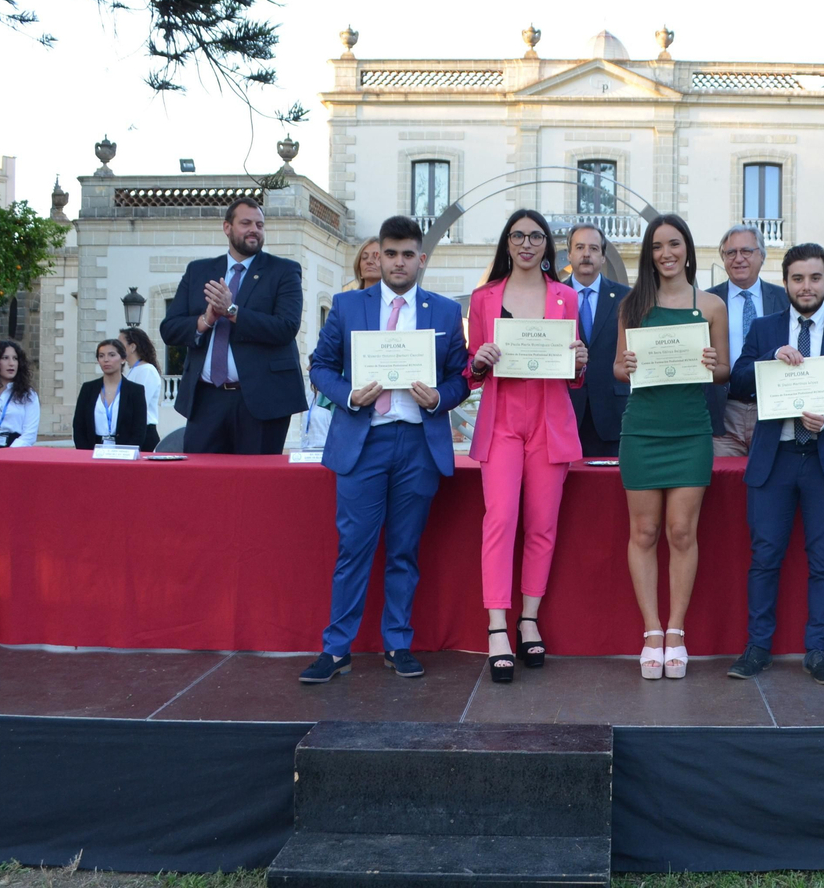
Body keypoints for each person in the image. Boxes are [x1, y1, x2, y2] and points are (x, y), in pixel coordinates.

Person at [299, 216, 471, 684]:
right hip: (364, 440)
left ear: (422, 259)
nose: (398, 262)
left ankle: (397, 643)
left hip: (418, 442)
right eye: (389, 253)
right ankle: (336, 649)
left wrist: (441, 398)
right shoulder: (349, 305)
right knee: (353, 548)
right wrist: (350, 395)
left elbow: (461, 375)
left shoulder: (443, 312)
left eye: (407, 254)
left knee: (404, 550)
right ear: (379, 256)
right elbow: (320, 366)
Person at [725, 243, 824, 686]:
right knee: (764, 557)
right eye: (797, 278)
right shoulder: (766, 328)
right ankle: (757, 648)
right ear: (786, 281)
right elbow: (736, 379)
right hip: (775, 459)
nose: (806, 286)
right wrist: (768, 360)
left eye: (814, 278)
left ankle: (818, 651)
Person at [466, 209, 588, 683]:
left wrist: (580, 360)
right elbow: (471, 373)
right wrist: (478, 361)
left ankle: (528, 617)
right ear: (507, 241)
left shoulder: (565, 297)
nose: (526, 243)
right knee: (500, 520)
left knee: (542, 524)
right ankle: (497, 624)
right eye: (517, 235)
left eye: (535, 236)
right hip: (501, 419)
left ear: (546, 245)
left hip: (550, 419)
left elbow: (573, 376)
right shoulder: (483, 298)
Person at [614, 215, 729, 679]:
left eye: (674, 244)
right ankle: (651, 631)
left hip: (689, 430)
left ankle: (677, 631)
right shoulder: (632, 304)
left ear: (688, 249)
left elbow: (722, 372)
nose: (666, 253)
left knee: (681, 531)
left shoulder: (712, 305)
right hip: (642, 429)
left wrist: (711, 361)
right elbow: (619, 372)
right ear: (648, 253)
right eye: (658, 246)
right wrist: (628, 362)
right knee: (643, 533)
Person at [159, 197, 306, 454]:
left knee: (256, 485)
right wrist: (206, 320)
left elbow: (286, 327)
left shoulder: (283, 271)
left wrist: (232, 311)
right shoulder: (199, 271)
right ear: (227, 227)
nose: (254, 230)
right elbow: (169, 329)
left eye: (260, 225)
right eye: (246, 223)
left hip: (261, 402)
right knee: (201, 482)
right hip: (206, 399)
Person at [706, 225, 789, 456]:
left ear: (762, 255)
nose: (738, 259)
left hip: (774, 412)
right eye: (730, 253)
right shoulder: (705, 301)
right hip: (723, 415)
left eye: (746, 251)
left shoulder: (786, 300)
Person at [564, 223, 631, 458]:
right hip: (565, 411)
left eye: (593, 248)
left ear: (603, 257)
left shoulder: (627, 297)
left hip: (614, 414)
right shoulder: (552, 297)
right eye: (579, 247)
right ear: (569, 254)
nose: (586, 254)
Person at [73, 339, 150, 449]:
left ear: (123, 359)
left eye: (112, 355)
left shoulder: (135, 391)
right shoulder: (88, 389)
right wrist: (85, 452)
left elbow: (139, 429)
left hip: (124, 453)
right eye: (101, 356)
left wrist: (126, 453)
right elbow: (79, 426)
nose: (106, 360)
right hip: (92, 452)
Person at [118, 327, 163, 451]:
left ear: (132, 347)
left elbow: (139, 404)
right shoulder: (133, 370)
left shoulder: (147, 370)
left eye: (120, 345)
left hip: (144, 431)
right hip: (132, 431)